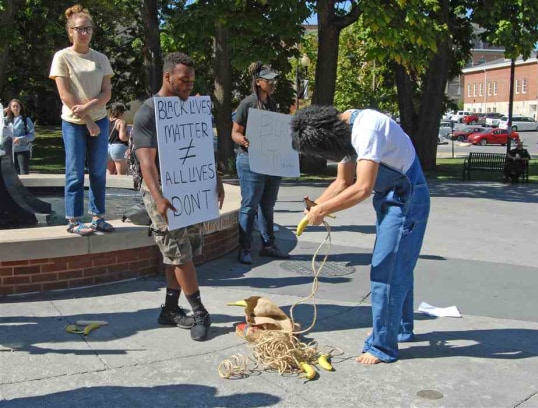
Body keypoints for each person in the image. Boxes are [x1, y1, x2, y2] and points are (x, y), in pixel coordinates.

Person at [291, 106, 430, 365]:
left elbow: (363, 187)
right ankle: (398, 328)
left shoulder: (366, 129)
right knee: (398, 265)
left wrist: (324, 209)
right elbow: (342, 183)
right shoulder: (344, 128)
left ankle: (382, 347)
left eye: (323, 153)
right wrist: (316, 205)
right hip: (390, 199)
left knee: (385, 271)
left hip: (407, 198)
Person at [133, 52, 225, 342]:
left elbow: (201, 149)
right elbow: (146, 161)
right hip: (161, 191)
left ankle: (170, 309)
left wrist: (216, 179)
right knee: (180, 254)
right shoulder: (148, 112)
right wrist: (159, 197)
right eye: (184, 80)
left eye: (192, 81)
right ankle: (200, 313)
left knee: (182, 253)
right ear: (168, 76)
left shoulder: (191, 108)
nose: (188, 85)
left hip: (190, 189)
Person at [49, 4, 114, 236]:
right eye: (79, 29)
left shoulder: (101, 58)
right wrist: (87, 120)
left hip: (100, 119)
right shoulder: (62, 57)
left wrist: (89, 108)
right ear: (70, 31)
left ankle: (98, 217)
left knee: (98, 171)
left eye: (88, 28)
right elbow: (65, 95)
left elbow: (107, 92)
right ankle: (74, 220)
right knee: (75, 171)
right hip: (74, 123)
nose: (84, 33)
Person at [231, 61, 290, 265]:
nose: (273, 84)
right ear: (258, 82)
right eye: (269, 81)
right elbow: (235, 133)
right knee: (249, 206)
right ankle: (245, 248)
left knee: (268, 205)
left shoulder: (272, 104)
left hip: (271, 161)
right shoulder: (247, 104)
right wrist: (244, 140)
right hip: (250, 160)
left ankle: (268, 245)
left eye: (274, 80)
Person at [4, 99, 34, 175]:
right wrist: (3, 111)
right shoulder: (6, 120)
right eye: (13, 106)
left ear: (20, 108)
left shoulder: (26, 120)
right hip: (9, 151)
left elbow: (32, 136)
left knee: (23, 173)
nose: (15, 108)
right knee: (12, 175)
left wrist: (20, 138)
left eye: (17, 106)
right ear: (10, 108)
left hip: (22, 150)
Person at [106, 102, 129, 175]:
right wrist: (129, 138)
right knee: (121, 175)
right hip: (118, 147)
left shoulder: (106, 121)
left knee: (109, 173)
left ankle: (107, 186)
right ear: (120, 112)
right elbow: (122, 137)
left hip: (107, 147)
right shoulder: (121, 122)